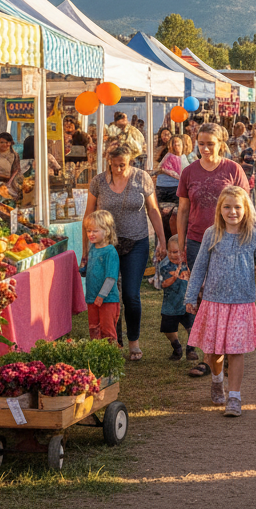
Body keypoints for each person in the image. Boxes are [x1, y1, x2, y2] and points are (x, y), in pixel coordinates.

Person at [185, 185, 256, 417]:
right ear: (220, 209)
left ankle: (234, 396)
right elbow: (200, 266)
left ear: (246, 209)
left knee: (236, 351)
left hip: (241, 303)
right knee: (215, 352)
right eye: (227, 207)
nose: (232, 212)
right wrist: (191, 296)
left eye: (237, 207)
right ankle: (216, 380)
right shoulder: (212, 234)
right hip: (214, 301)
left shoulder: (254, 236)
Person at [85, 142, 167, 361]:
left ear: (131, 161)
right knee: (110, 294)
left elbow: (153, 210)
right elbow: (89, 213)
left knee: (130, 294)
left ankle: (134, 342)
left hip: (136, 241)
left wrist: (162, 240)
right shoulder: (99, 181)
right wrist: (86, 249)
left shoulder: (141, 178)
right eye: (114, 165)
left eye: (122, 165)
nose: (118, 169)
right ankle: (114, 342)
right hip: (106, 244)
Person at [176, 122, 250, 287]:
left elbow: (246, 208)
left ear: (220, 145)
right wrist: (181, 245)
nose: (205, 149)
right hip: (197, 240)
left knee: (225, 288)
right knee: (199, 290)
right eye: (201, 144)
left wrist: (243, 240)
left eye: (210, 144)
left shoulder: (233, 170)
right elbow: (183, 211)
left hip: (228, 239)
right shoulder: (188, 172)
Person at [83, 210, 121, 344]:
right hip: (92, 297)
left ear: (106, 231)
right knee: (94, 328)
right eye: (88, 231)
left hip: (107, 299)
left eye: (95, 231)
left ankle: (112, 355)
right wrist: (82, 269)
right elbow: (91, 269)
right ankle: (98, 355)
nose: (90, 234)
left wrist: (102, 295)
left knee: (107, 329)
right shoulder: (92, 248)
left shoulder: (110, 252)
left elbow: (111, 278)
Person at [158, 235, 193, 361]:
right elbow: (163, 284)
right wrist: (174, 277)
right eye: (171, 252)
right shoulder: (164, 265)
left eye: (178, 252)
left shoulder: (189, 262)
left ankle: (190, 349)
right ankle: (176, 347)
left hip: (187, 303)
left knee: (192, 327)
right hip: (170, 304)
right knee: (168, 330)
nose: (175, 255)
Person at [155, 135, 186, 205]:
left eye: (178, 144)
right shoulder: (169, 156)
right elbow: (162, 168)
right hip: (167, 187)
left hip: (173, 187)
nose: (176, 145)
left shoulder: (183, 157)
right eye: (174, 143)